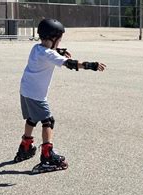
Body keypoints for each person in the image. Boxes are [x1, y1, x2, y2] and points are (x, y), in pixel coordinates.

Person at [14, 18, 106, 172]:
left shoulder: (36, 48)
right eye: (59, 39)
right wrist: (92, 65)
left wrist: (59, 51)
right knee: (48, 121)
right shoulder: (50, 54)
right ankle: (47, 156)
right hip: (36, 95)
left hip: (25, 91)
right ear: (53, 38)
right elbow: (69, 63)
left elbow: (49, 53)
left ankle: (25, 146)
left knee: (32, 118)